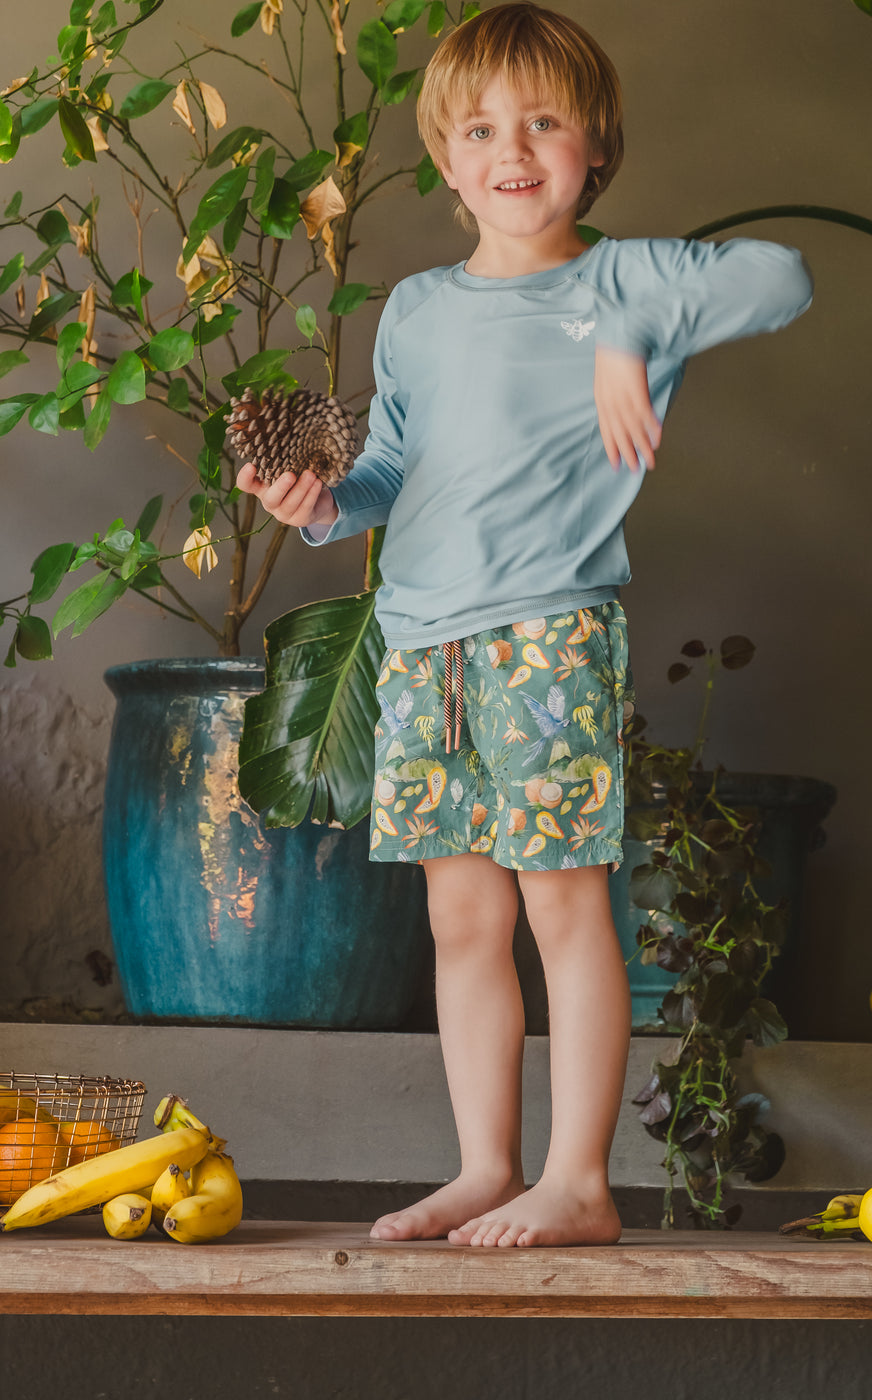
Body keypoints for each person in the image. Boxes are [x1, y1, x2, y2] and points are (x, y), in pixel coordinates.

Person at [237, 3, 812, 1247]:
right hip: (422, 641)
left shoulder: (628, 276)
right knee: (463, 917)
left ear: (593, 147)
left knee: (562, 903)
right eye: (483, 127)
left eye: (544, 122)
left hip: (545, 634)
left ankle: (581, 1182)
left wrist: (629, 331)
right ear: (445, 158)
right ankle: (485, 1165)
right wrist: (321, 501)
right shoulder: (419, 310)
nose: (514, 148)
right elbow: (393, 467)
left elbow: (784, 275)